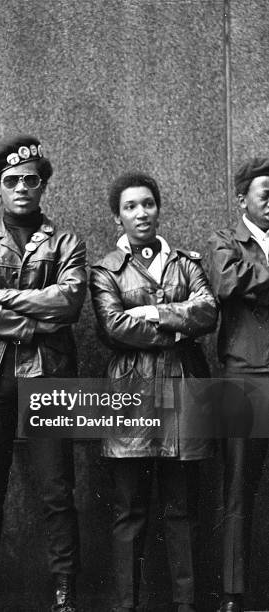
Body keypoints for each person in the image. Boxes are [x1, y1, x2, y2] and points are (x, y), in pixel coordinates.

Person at [0, 135, 86, 612]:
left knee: (57, 490)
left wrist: (1, 300)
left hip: (50, 377)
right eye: (12, 181)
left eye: (31, 180)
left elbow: (68, 302)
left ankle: (64, 592)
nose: (22, 188)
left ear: (43, 185)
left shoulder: (68, 242)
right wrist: (31, 324)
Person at [90, 171, 217, 612]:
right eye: (130, 207)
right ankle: (125, 606)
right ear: (117, 218)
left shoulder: (187, 262)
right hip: (131, 396)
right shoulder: (106, 270)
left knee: (182, 511)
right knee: (129, 512)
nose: (141, 213)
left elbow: (207, 312)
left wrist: (150, 311)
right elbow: (113, 327)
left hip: (182, 391)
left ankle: (186, 606)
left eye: (147, 204)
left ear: (158, 209)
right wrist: (176, 326)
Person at [209, 157, 269, 612]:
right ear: (242, 199)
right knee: (237, 488)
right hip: (244, 374)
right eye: (266, 193)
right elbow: (228, 281)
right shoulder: (225, 240)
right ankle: (233, 595)